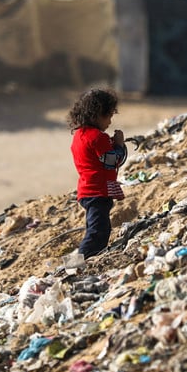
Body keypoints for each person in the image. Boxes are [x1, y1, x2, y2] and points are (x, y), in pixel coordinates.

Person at [67, 88, 128, 260]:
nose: (110, 121)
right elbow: (112, 161)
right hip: (97, 191)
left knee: (97, 229)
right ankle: (73, 265)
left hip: (86, 189)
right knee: (97, 233)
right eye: (108, 116)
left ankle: (86, 260)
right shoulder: (97, 138)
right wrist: (119, 145)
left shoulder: (80, 135)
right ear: (96, 115)